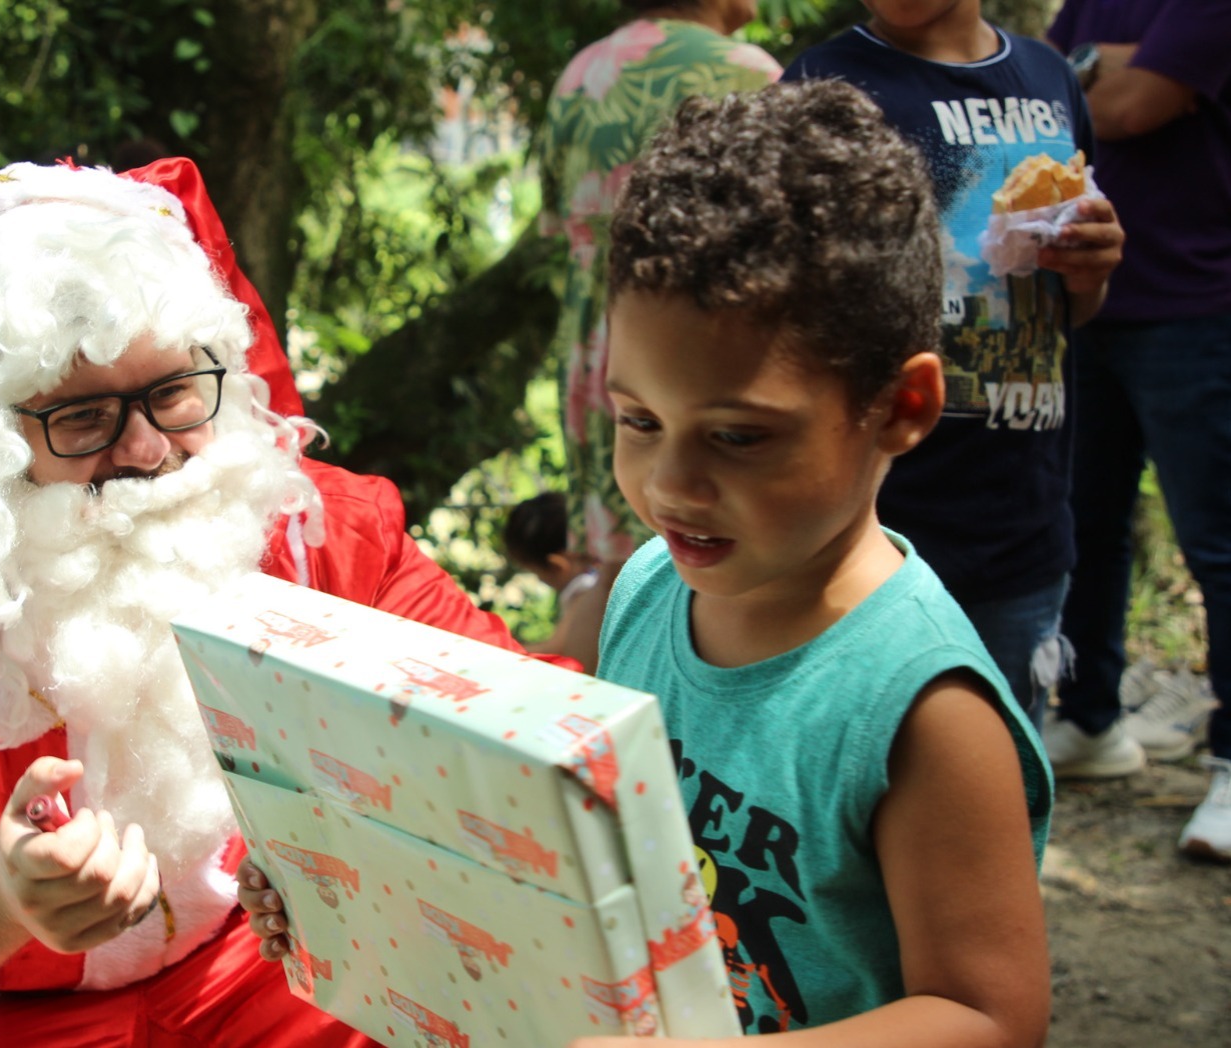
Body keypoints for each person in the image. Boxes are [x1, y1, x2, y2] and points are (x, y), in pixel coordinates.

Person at [248, 80, 1055, 1045]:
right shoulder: (644, 588)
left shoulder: (923, 712)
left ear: (902, 408)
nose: (672, 484)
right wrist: (352, 888)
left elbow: (990, 1016)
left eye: (739, 438)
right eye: (638, 421)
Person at [0, 159, 543, 1047]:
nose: (149, 451)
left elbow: (526, 721)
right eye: (81, 418)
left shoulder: (322, 532)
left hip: (285, 986)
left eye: (171, 393)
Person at [781, 0, 1125, 731]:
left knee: (1001, 781)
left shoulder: (1048, 78)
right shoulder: (821, 84)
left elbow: (1074, 309)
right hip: (867, 532)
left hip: (1021, 528)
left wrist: (1089, 273)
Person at [537, 0, 781, 674]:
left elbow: (559, 226)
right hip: (699, 351)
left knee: (615, 559)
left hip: (599, 347)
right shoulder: (745, 72)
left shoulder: (582, 73)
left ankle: (553, 725)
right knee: (706, 560)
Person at [1042, 0, 1231, 861]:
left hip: (1199, 307)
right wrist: (1099, 56)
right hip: (1087, 307)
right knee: (1083, 524)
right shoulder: (1090, 3)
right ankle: (1087, 720)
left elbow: (1123, 107)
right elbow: (1047, 96)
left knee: (1217, 539)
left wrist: (1095, 70)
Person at [502, 491, 601, 656]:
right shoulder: (602, 573)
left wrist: (498, 655)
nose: (540, 580)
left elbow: (558, 650)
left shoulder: (585, 588)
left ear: (557, 566)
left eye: (536, 573)